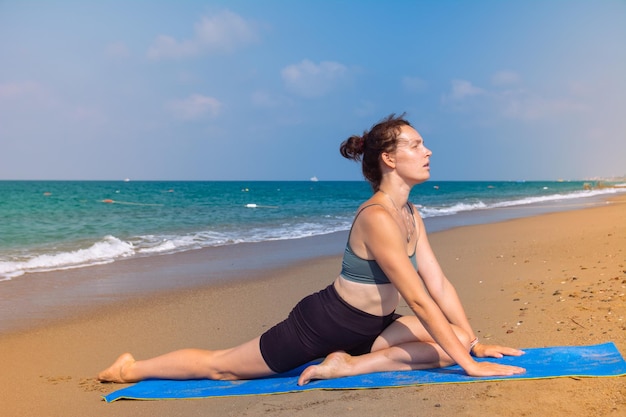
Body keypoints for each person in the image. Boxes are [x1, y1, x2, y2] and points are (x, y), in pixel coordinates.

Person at [98, 114, 525, 385]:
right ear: (389, 160)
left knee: (458, 336)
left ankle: (350, 365)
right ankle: (130, 369)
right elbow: (417, 296)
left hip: (371, 326)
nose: (427, 151)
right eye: (415, 145)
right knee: (223, 367)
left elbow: (438, 282)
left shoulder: (411, 212)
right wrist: (468, 366)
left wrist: (475, 345)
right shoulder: (377, 217)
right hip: (324, 323)